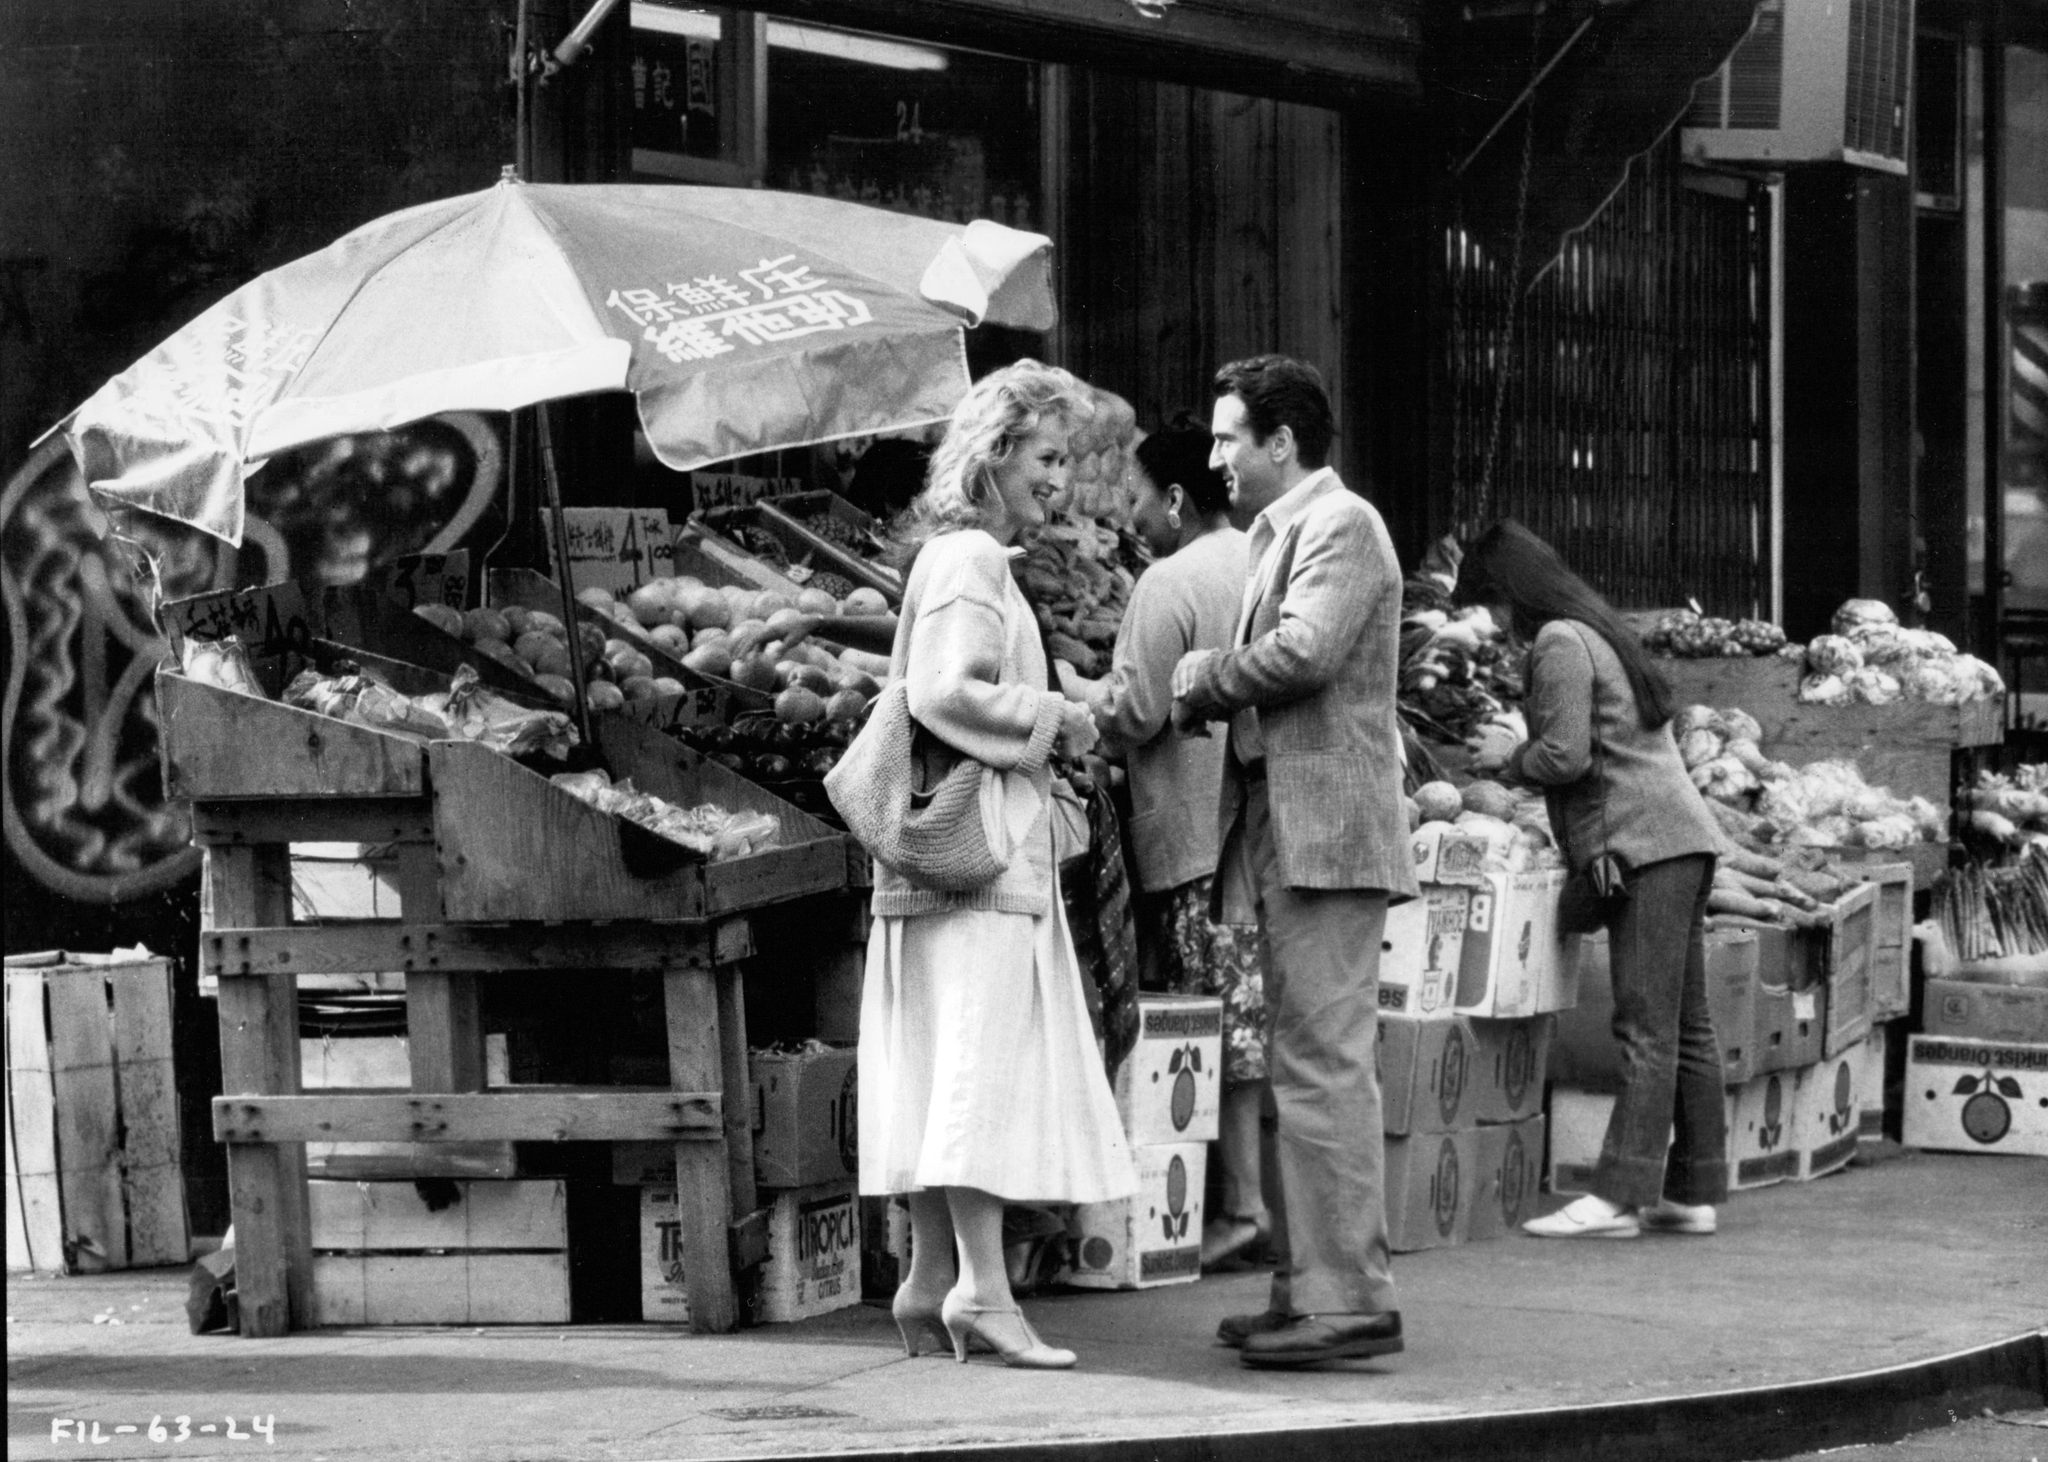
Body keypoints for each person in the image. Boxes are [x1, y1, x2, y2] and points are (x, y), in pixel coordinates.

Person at [858, 359, 1136, 1371]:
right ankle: (984, 1288)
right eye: (1047, 455)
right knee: (976, 1072)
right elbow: (944, 691)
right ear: (997, 451)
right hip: (977, 866)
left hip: (946, 868)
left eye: (1066, 459)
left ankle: (930, 1275)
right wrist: (1058, 715)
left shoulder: (954, 555)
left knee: (943, 1072)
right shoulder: (973, 557)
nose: (1059, 480)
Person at [1168, 356, 1416, 1369]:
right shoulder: (1288, 532)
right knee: (1298, 1066)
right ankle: (1303, 1284)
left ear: (1282, 442)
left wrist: (1200, 674)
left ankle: (1350, 1296)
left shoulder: (1340, 524)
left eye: (1230, 438)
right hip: (1292, 827)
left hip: (1327, 833)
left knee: (1321, 1066)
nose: (1215, 456)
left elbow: (1306, 652)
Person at [1463, 519, 1728, 1240]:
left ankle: (1617, 1198)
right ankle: (1692, 1192)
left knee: (1645, 1027)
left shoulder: (1557, 642)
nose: (1489, 626)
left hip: (1642, 848)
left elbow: (1566, 756)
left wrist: (1507, 756)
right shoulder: (1596, 629)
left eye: (1486, 606)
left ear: (1509, 594)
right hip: (1681, 841)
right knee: (1685, 1027)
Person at [1086, 424, 1267, 1270]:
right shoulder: (1261, 555)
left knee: (1211, 1023)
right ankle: (1259, 1207)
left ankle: (1239, 1208)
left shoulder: (1169, 580)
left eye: (1134, 498)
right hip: (1255, 831)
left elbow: (1134, 713)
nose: (1129, 519)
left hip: (1193, 830)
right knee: (1253, 1021)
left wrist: (1067, 687)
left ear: (1173, 500)